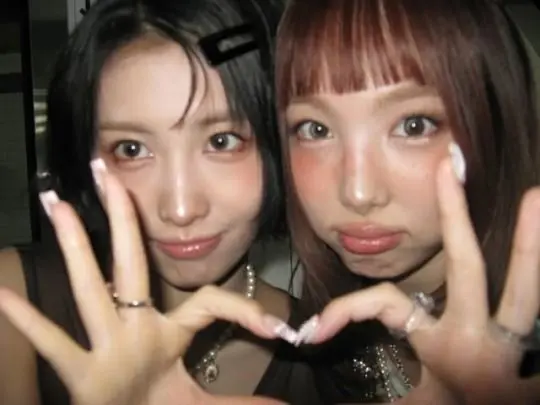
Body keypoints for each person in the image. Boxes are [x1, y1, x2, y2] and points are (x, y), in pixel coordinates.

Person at [0, 0, 310, 404]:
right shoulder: (15, 299)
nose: (180, 210)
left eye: (221, 141)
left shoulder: (331, 360)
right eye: (131, 150)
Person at [274, 0, 540, 403]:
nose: (358, 194)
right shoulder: (311, 323)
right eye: (315, 129)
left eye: (414, 126)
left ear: (494, 123)